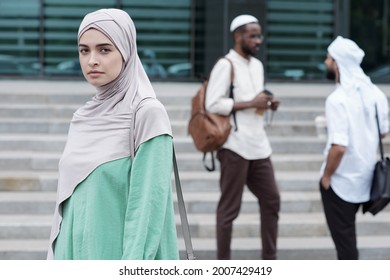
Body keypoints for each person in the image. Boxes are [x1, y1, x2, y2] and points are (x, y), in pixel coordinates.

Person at [47, 8, 179, 260]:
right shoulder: (83, 117)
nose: (91, 60)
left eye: (104, 49)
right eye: (84, 50)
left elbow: (147, 209)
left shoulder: (147, 114)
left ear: (126, 51)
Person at [205, 14, 280, 260]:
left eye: (259, 35)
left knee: (271, 201)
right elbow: (212, 104)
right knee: (229, 210)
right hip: (234, 146)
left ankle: (269, 261)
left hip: (259, 145)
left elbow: (255, 100)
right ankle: (222, 264)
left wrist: (267, 103)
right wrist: (250, 102)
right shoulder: (225, 65)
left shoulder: (257, 66)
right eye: (253, 35)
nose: (259, 40)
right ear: (238, 36)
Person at [320, 36, 389, 260]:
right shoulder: (377, 95)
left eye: (329, 58)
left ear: (337, 62)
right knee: (348, 243)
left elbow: (339, 147)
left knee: (346, 246)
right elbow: (383, 131)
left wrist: (327, 177)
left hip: (342, 182)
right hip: (367, 177)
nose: (325, 62)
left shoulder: (337, 99)